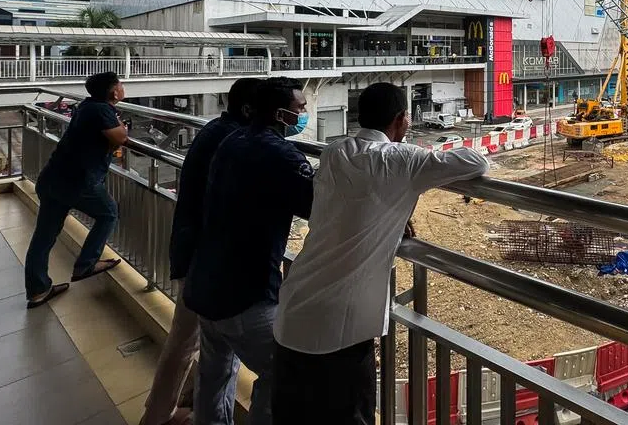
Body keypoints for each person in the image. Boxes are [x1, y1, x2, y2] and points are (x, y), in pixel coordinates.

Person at [272, 82, 488, 424]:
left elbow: (351, 204)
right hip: (339, 333)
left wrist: (392, 214)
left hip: (292, 314)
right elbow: (476, 162)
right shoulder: (402, 159)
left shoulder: (334, 152)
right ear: (402, 120)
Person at [184, 77, 313, 425]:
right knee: (284, 373)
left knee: (215, 373)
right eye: (300, 109)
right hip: (244, 294)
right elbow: (319, 205)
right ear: (282, 114)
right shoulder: (282, 154)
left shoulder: (231, 140)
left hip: (205, 283)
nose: (304, 115)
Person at [140, 77, 262, 425]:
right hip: (206, 259)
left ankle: (182, 408)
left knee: (201, 342)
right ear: (251, 109)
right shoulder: (233, 141)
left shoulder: (217, 131)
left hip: (198, 252)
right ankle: (159, 415)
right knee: (188, 341)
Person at [24, 71, 128, 308]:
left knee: (43, 237)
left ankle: (38, 289)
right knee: (109, 213)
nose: (123, 88)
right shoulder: (101, 110)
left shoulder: (87, 106)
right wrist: (119, 127)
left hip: (53, 178)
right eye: (120, 85)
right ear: (113, 91)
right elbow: (121, 136)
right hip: (77, 182)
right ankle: (86, 263)